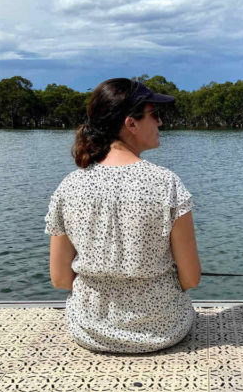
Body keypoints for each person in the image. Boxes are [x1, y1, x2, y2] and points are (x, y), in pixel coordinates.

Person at [44, 78, 200, 353]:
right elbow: (190, 279)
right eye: (155, 115)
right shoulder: (167, 184)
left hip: (89, 329)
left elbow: (59, 278)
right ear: (131, 123)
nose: (160, 123)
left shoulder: (69, 186)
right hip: (164, 329)